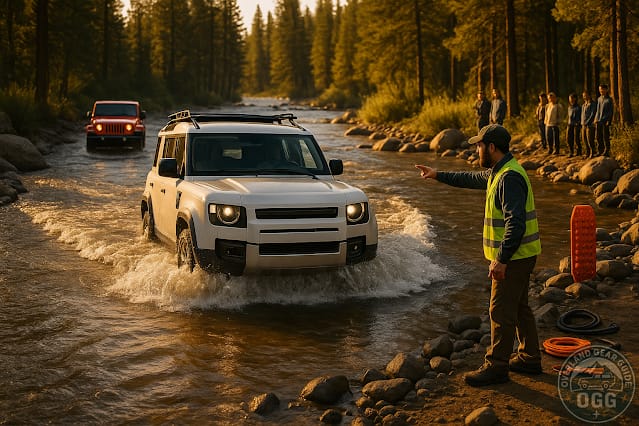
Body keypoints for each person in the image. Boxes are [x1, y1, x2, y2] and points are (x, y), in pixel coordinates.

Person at [415, 124, 542, 387]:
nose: (476, 149)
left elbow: (515, 223)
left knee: (500, 310)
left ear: (491, 147)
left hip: (515, 257)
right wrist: (438, 174)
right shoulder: (500, 171)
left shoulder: (509, 178)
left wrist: (502, 259)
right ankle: (530, 358)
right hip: (522, 254)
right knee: (519, 308)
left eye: (479, 145)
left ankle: (497, 367)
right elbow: (471, 179)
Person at [594, 84, 613, 157]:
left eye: (602, 89)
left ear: (606, 90)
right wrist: (596, 118)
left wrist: (609, 120)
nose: (601, 91)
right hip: (599, 120)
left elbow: (611, 111)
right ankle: (600, 150)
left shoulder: (609, 99)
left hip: (605, 121)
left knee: (606, 136)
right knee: (598, 136)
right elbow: (598, 110)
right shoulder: (599, 99)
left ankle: (607, 150)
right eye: (600, 89)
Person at [581, 91, 597, 158]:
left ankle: (592, 152)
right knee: (584, 139)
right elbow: (582, 114)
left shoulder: (593, 104)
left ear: (590, 95)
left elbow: (593, 114)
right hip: (583, 124)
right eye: (584, 96)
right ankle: (587, 152)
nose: (585, 97)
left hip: (590, 125)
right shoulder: (584, 105)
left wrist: (588, 122)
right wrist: (582, 123)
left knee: (590, 139)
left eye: (586, 95)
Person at [566, 93, 582, 157]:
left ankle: (578, 151)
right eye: (570, 98)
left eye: (572, 98)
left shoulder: (578, 107)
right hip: (570, 124)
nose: (571, 100)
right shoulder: (569, 107)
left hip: (576, 125)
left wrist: (578, 123)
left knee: (576, 138)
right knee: (568, 138)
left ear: (575, 99)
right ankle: (571, 151)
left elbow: (580, 116)